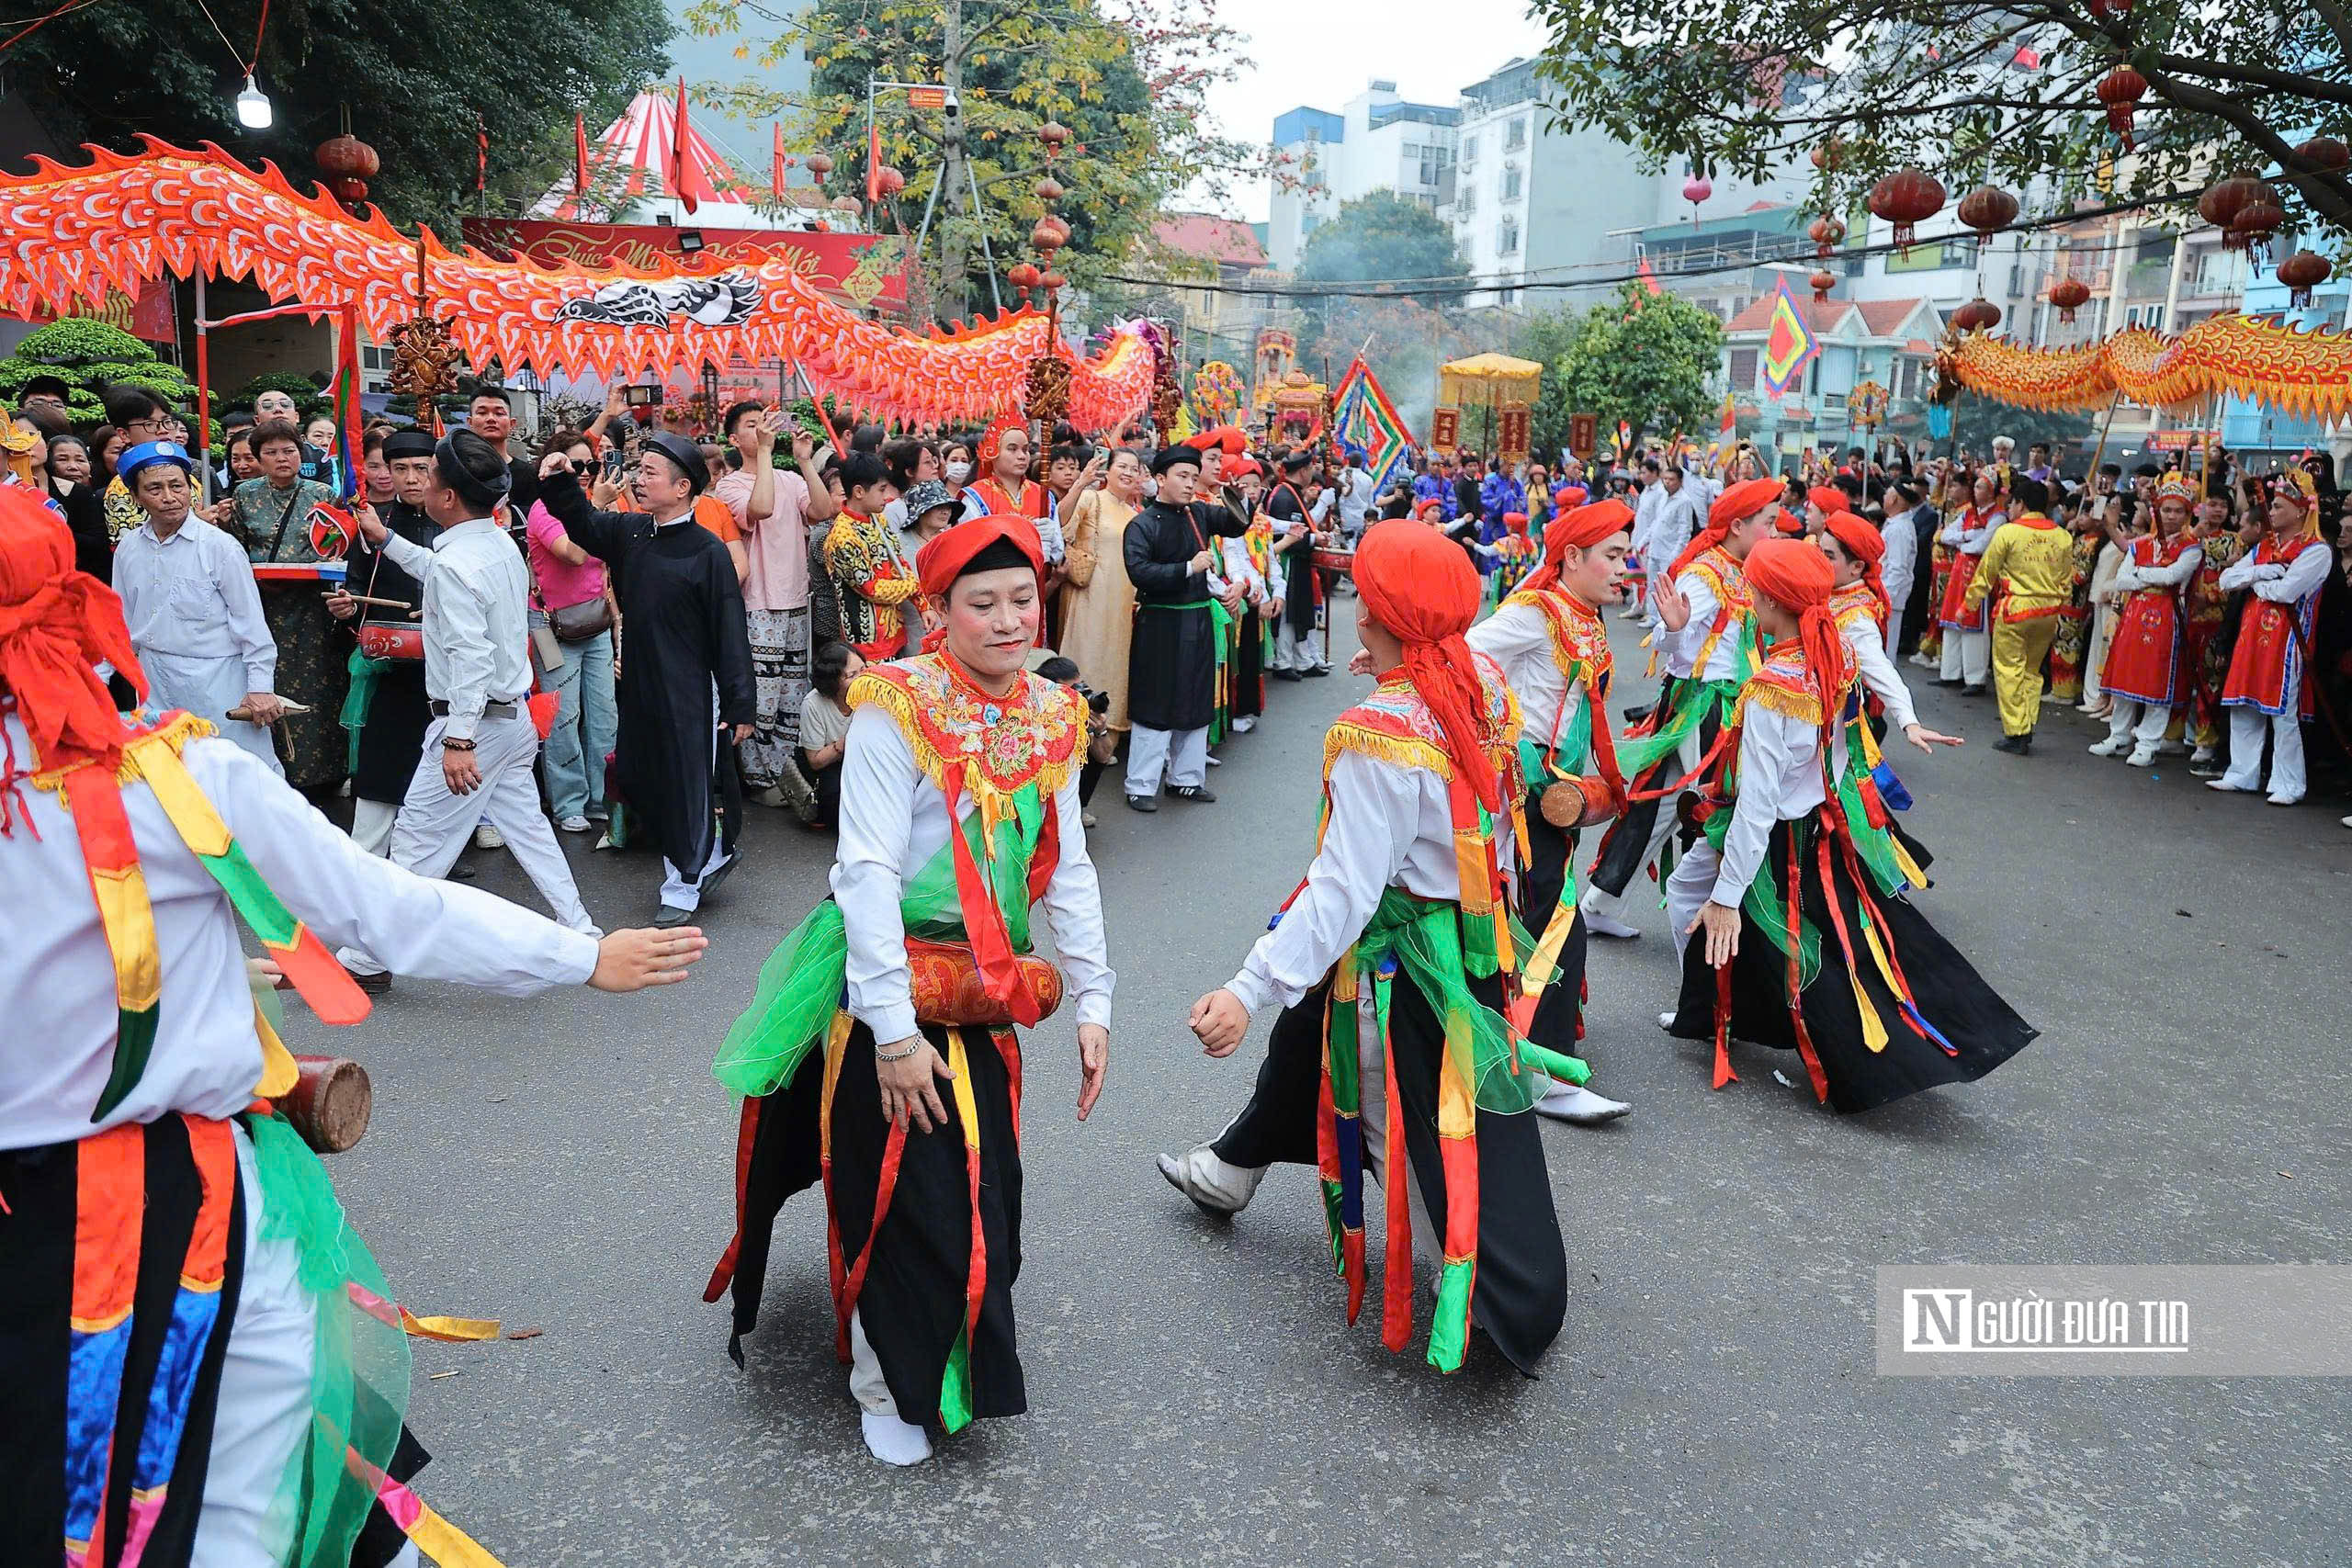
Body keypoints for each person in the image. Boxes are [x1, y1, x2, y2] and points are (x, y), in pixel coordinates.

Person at [0, 489, 710, 1568]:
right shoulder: (169, 778)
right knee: (236, 1473)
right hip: (158, 1212)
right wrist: (580, 956)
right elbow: (382, 911)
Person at [705, 513, 1111, 1467]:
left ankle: (948, 1359)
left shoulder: (1053, 712)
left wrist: (1095, 1000)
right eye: (983, 603)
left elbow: (1070, 866)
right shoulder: (897, 705)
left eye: (1023, 599)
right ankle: (882, 1382)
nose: (1007, 621)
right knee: (903, 1197)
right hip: (891, 982)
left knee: (986, 1201)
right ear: (938, 610)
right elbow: (868, 872)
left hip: (988, 990)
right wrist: (890, 1032)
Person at [1159, 518, 1568, 1378]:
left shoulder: (1380, 733)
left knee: (1402, 1113)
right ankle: (1231, 1164)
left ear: (1373, 613)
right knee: (1312, 1038)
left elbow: (1343, 891)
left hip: (1402, 958)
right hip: (1468, 939)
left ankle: (1475, 1281)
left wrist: (1246, 985)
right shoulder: (1484, 683)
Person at [1668, 537, 2037, 1112]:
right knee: (1844, 945)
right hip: (1822, 825)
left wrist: (1727, 894)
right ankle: (1716, 1011)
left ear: (1770, 601)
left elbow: (1758, 805)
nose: (1748, 598)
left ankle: (1730, 1017)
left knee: (1752, 924)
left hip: (1781, 837)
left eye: (1754, 589)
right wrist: (1906, 720)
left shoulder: (1774, 689)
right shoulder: (1832, 653)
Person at [337, 434, 601, 985]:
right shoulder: (497, 541)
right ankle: (580, 927)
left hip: (476, 726)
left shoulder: (461, 561)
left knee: (416, 843)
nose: (420, 482)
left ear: (449, 496)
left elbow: (470, 656)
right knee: (527, 828)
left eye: (429, 475)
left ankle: (368, 959)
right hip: (511, 717)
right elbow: (441, 569)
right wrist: (387, 540)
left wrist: (459, 740)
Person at [537, 431, 759, 923]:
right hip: (638, 682)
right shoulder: (632, 533)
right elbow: (584, 524)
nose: (638, 479)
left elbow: (729, 630)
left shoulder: (709, 552)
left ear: (682, 487)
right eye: (640, 470)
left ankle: (682, 883)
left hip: (691, 690)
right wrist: (561, 481)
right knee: (637, 776)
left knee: (684, 783)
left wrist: (740, 703)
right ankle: (710, 853)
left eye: (650, 473)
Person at [1465, 500, 1638, 1125]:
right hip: (1523, 790)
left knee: (1541, 915)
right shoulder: (1535, 613)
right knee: (1553, 921)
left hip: (1559, 793)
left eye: (1625, 555)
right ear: (1571, 557)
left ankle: (1509, 1042)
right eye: (1612, 556)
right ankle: (1547, 1074)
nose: (1624, 568)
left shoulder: (1585, 615)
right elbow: (1467, 655)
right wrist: (1510, 734)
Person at [1581, 477, 1782, 940]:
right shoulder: (1706, 573)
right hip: (1703, 705)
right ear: (1737, 526)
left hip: (1721, 704)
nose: (1774, 532)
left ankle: (1600, 902)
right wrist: (1674, 628)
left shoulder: (1742, 568)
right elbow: (1672, 642)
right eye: (1768, 523)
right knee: (1714, 806)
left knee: (1661, 804)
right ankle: (1711, 914)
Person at [111, 441, 286, 775]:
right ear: (136, 497)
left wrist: (260, 687)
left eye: (177, 486)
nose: (169, 497)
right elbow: (118, 623)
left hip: (218, 680)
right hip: (153, 680)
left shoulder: (220, 547)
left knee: (242, 773)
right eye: (155, 489)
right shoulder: (128, 548)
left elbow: (251, 622)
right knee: (168, 774)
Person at [711, 402, 836, 816]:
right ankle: (758, 779)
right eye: (752, 425)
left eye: (764, 424)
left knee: (790, 697)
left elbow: (823, 511)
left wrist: (804, 461)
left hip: (796, 600)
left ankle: (784, 774)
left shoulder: (789, 478)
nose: (762, 429)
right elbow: (760, 509)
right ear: (734, 439)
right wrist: (765, 451)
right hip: (757, 604)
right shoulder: (730, 486)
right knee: (760, 700)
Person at [328, 430, 445, 856]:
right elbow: (356, 584)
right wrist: (347, 608)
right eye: (400, 469)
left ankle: (430, 858)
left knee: (439, 764)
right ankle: (367, 860)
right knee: (383, 762)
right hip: (389, 664)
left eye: (421, 468)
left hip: (445, 667)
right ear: (388, 473)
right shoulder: (371, 524)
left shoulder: (454, 522)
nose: (411, 478)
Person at [229, 418, 346, 789]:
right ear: (259, 458)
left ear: (301, 453)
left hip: (312, 605)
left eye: (289, 450)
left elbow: (336, 546)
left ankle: (324, 773)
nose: (282, 458)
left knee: (318, 685)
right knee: (267, 679)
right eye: (272, 452)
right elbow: (237, 548)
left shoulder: (322, 493)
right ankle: (271, 771)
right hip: (263, 603)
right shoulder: (245, 495)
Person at [1124, 444, 1242, 810]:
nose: (1190, 484)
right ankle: (1140, 785)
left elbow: (1236, 524)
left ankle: (1186, 779)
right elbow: (1139, 571)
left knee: (1195, 697)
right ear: (1160, 479)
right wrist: (1189, 567)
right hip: (1160, 623)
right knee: (1155, 701)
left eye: (1194, 477)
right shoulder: (1142, 524)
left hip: (1197, 620)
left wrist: (1234, 496)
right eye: (1182, 476)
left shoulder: (1199, 513)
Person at [2209, 469, 2331, 806]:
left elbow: (2288, 592)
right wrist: (2260, 572)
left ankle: (2289, 783)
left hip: (2287, 642)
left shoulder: (2317, 550)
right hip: (2251, 636)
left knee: (2283, 714)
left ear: (2300, 510)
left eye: (2278, 506)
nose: (2271, 512)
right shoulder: (2263, 547)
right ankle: (2241, 773)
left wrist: (2255, 583)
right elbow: (2226, 580)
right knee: (2243, 705)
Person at [521, 430, 620, 834]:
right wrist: (597, 506)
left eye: (589, 465)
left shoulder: (597, 503)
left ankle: (603, 798)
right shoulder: (544, 509)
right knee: (563, 716)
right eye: (573, 465)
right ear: (553, 466)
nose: (583, 472)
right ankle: (568, 803)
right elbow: (575, 554)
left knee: (605, 715)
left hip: (595, 622)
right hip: (550, 627)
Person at [1952, 475, 2075, 756]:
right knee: (2031, 671)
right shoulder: (2062, 535)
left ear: (2021, 504)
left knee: (2009, 670)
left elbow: (1986, 574)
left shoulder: (2008, 532)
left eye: (2012, 503)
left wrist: (1967, 606)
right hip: (2048, 612)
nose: (2009, 508)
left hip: (2016, 609)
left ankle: (2016, 731)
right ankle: (2027, 723)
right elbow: (2066, 579)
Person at [2090, 472, 2201, 766]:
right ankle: (2119, 735)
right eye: (2167, 510)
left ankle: (2148, 743)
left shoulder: (2191, 547)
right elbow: (2122, 579)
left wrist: (2142, 573)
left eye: (2178, 511)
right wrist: (2151, 575)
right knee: (2126, 673)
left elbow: (2174, 576)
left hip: (2167, 617)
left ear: (2187, 514)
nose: (2172, 516)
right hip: (2134, 615)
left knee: (2156, 679)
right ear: (2157, 512)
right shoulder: (2140, 544)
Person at [1057, 446, 1144, 738]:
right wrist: (1080, 484)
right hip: (1091, 595)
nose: (1129, 473)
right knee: (1087, 655)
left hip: (1123, 599)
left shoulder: (1135, 514)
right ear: (1108, 469)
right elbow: (1061, 525)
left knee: (1116, 660)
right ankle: (1072, 731)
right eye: (1123, 466)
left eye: (1134, 468)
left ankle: (1109, 733)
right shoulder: (1091, 498)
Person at [824, 451, 918, 663]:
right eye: (882, 489)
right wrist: (912, 586)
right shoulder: (842, 537)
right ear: (859, 491)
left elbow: (899, 565)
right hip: (866, 641)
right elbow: (872, 589)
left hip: (894, 632)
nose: (887, 496)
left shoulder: (878, 519)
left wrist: (922, 604)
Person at [2183, 488, 2245, 772]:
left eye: (2223, 506)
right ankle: (2177, 733)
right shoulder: (2189, 536)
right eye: (2213, 504)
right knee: (2184, 677)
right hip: (2187, 617)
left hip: (2216, 620)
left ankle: (2206, 740)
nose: (2218, 510)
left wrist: (2208, 597)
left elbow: (2234, 581)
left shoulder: (2235, 541)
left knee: (2210, 681)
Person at [1934, 468, 2004, 694]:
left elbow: (1984, 545)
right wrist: (1965, 537)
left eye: (1980, 487)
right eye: (1975, 486)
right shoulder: (1969, 514)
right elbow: (1946, 535)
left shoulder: (1998, 517)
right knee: (1952, 621)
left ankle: (1975, 678)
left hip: (1979, 575)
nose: (1975, 490)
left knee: (1974, 625)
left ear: (1991, 491)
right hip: (1959, 573)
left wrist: (1962, 545)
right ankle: (1950, 672)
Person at [1264, 447, 1329, 679]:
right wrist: (1313, 539)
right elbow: (1285, 536)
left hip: (1299, 562)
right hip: (1287, 561)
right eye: (1311, 468)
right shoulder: (1284, 497)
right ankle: (1282, 661)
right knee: (1287, 613)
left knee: (1299, 612)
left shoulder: (1291, 492)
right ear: (1303, 470)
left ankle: (1302, 659)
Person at [960, 420, 1062, 562]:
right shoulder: (975, 497)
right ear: (993, 453)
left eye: (1025, 450)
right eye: (1012, 449)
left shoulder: (1043, 495)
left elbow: (1058, 555)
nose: (1022, 456)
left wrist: (1051, 542)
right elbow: (968, 551)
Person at [797, 639, 860, 828]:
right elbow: (816, 761)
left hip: (857, 757)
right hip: (826, 762)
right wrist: (847, 742)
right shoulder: (812, 704)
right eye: (852, 675)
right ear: (834, 681)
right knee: (836, 791)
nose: (862, 678)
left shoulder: (870, 694)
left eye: (863, 669)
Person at [465, 385, 539, 521]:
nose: (491, 419)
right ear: (470, 422)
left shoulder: (530, 475)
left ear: (512, 424)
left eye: (499, 413)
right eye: (482, 413)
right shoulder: (460, 471)